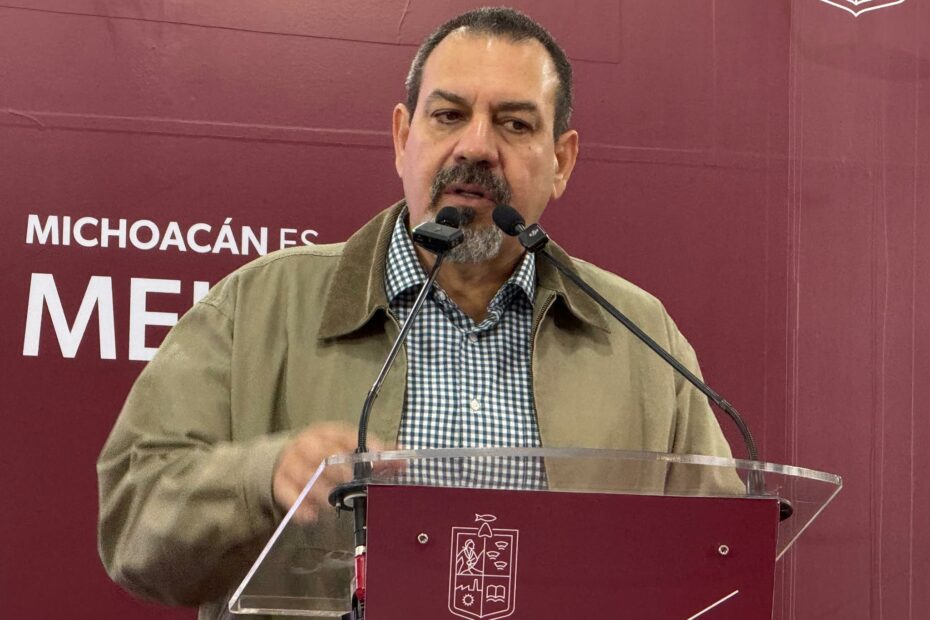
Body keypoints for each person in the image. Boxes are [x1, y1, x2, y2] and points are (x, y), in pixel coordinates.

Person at [97, 7, 737, 618]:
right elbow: (132, 526)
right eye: (449, 115)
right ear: (403, 137)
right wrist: (262, 478)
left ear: (562, 161)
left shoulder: (640, 338)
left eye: (515, 124)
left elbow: (722, 564)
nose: (477, 146)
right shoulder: (256, 306)